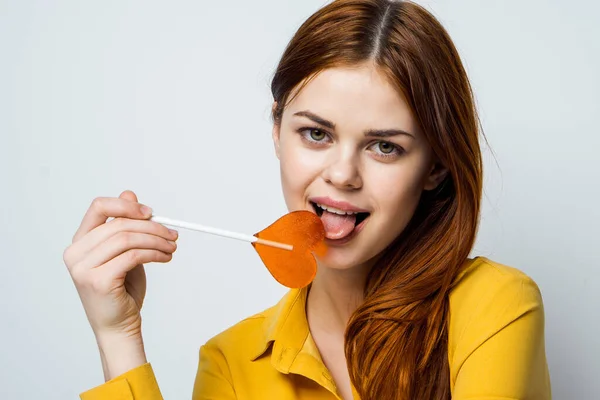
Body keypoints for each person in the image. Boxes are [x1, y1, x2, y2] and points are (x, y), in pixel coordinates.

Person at [64, 0, 552, 399]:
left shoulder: (494, 307)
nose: (341, 175)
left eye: (386, 146)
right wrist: (118, 337)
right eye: (316, 133)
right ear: (277, 131)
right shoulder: (231, 363)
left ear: (436, 166)